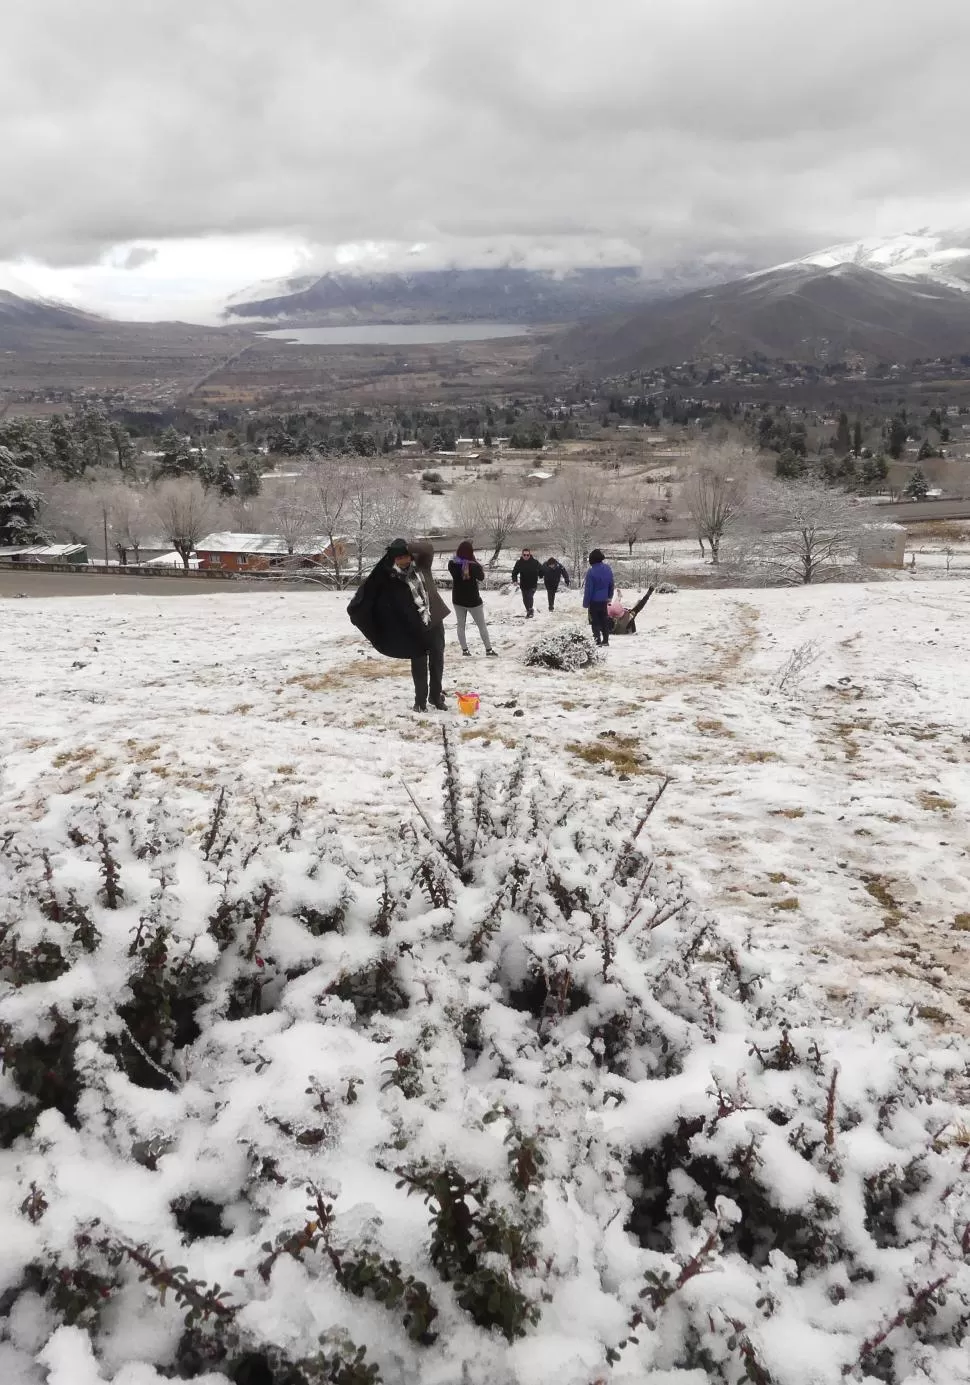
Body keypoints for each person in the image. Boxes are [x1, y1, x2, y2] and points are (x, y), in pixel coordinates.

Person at [347, 537, 451, 712]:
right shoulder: (390, 577)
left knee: (437, 662)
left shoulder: (422, 566)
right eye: (398, 558)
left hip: (434, 622)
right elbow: (371, 594)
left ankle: (435, 697)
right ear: (393, 559)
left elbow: (427, 548)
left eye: (406, 556)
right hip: (412, 628)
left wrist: (407, 546)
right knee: (418, 664)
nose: (403, 561)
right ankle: (420, 702)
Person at [448, 540, 497, 657]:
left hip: (457, 600)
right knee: (481, 625)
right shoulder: (473, 566)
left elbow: (456, 573)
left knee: (460, 625)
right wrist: (474, 562)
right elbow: (481, 577)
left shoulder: (452, 564)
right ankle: (488, 650)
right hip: (473, 601)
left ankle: (465, 650)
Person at [583, 548, 615, 647]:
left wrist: (586, 603)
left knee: (595, 621)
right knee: (604, 620)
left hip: (594, 601)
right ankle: (605, 640)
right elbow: (611, 584)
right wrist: (610, 596)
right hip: (604, 600)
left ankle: (597, 641)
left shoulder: (591, 572)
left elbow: (589, 589)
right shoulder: (608, 569)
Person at [511, 548, 542, 618]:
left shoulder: (535, 562)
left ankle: (530, 611)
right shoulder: (519, 563)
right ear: (522, 555)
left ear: (530, 555)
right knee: (525, 598)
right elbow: (514, 572)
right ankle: (529, 611)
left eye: (527, 555)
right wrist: (515, 580)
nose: (526, 556)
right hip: (523, 584)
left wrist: (541, 574)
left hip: (533, 584)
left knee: (529, 596)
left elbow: (541, 569)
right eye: (524, 555)